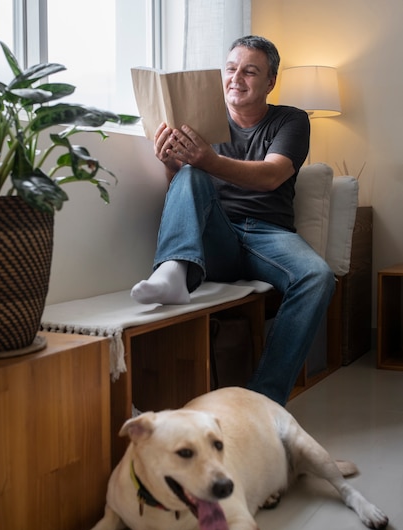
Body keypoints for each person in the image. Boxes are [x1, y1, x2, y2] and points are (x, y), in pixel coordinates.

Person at [131, 35, 335, 407]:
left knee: (317, 277)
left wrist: (207, 160)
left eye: (250, 71)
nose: (236, 78)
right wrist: (169, 162)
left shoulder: (291, 120)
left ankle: (261, 402)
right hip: (216, 234)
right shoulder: (202, 121)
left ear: (271, 81)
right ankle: (172, 272)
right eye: (230, 69)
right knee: (189, 176)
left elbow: (272, 175)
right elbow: (185, 192)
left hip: (268, 236)